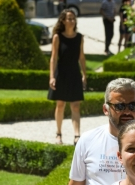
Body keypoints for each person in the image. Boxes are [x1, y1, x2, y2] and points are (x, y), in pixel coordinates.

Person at [48, 9, 87, 146]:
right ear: (63, 21)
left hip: (74, 73)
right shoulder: (57, 37)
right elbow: (53, 58)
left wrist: (84, 75)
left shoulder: (79, 37)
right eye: (69, 18)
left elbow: (81, 57)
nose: (71, 21)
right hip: (61, 73)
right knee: (60, 104)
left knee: (76, 106)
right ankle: (58, 134)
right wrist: (52, 77)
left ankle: (77, 135)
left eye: (73, 18)